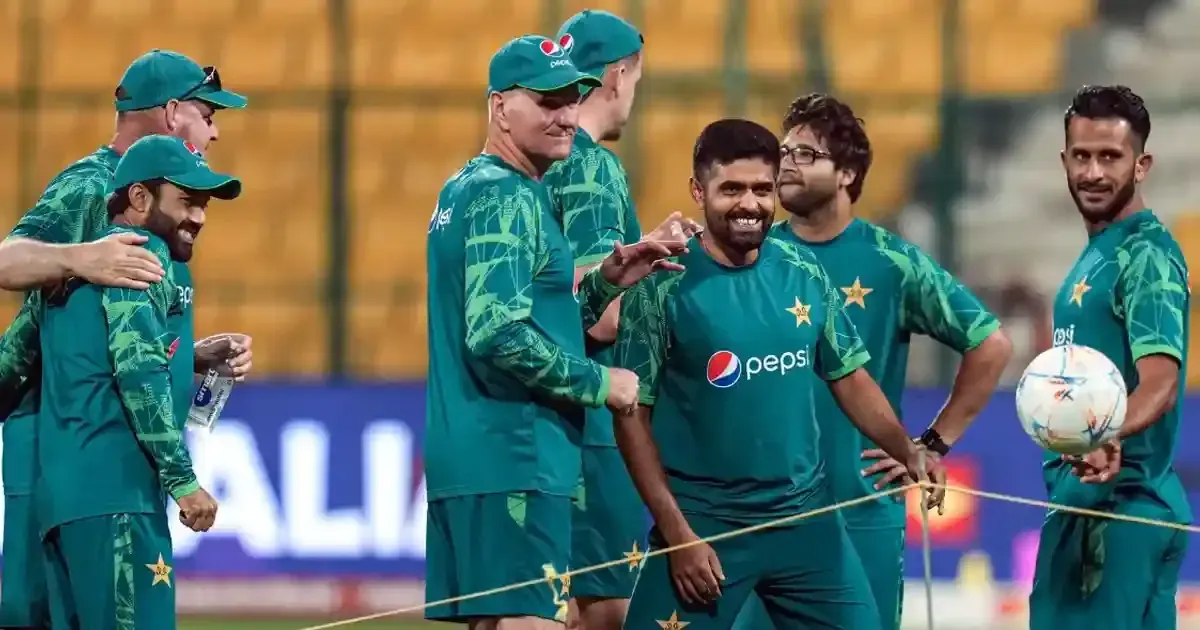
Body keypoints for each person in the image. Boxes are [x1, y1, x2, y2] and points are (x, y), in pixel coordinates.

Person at [613, 118, 945, 630]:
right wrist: (677, 534)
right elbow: (631, 417)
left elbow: (850, 377)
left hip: (806, 523)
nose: (749, 204)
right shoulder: (661, 286)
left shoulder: (804, 270)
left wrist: (909, 450)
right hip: (706, 530)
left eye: (762, 189)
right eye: (732, 189)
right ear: (698, 191)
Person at [423, 35, 687, 630]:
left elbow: (527, 313)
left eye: (572, 99)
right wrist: (602, 384)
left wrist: (608, 279)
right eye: (547, 102)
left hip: (481, 454)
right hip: (516, 454)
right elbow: (497, 331)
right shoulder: (506, 196)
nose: (567, 115)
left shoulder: (468, 187)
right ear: (499, 107)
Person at [732, 93, 1013, 630]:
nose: (786, 163)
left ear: (848, 173)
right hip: (761, 517)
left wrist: (933, 443)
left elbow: (991, 344)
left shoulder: (890, 261)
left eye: (805, 153)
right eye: (782, 152)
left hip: (861, 513)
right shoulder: (750, 256)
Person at [0, 49, 252, 630]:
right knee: (36, 613)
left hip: (84, 441)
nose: (214, 132)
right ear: (171, 112)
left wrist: (189, 358)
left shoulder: (165, 199)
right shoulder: (94, 186)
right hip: (59, 436)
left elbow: (106, 331)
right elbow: (7, 261)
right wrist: (78, 256)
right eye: (207, 115)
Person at [37, 134, 239, 629]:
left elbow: (18, 358)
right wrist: (182, 481)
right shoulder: (142, 254)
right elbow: (137, 371)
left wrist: (190, 357)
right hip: (120, 499)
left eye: (205, 204)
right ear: (140, 198)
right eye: (187, 201)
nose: (200, 217)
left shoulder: (69, 265)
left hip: (63, 505)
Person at [543, 11, 700, 630]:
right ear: (615, 75)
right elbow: (603, 313)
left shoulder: (531, 165)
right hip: (594, 417)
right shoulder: (592, 166)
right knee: (606, 611)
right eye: (636, 79)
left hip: (544, 417)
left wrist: (645, 253)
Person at [1028, 84, 1190, 630]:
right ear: (1064, 161)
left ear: (1141, 165)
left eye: (1110, 157)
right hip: (1093, 508)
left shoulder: (1146, 255)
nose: (1093, 172)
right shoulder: (1102, 252)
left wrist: (1106, 433)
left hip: (1118, 514)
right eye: (1081, 156)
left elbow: (1161, 381)